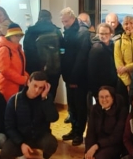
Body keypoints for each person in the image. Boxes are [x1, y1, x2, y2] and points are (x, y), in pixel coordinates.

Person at [2, 71, 59, 159]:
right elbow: (9, 126)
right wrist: (21, 143)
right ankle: (20, 155)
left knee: (51, 144)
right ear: (28, 82)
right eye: (35, 86)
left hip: (40, 136)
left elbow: (54, 118)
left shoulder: (46, 98)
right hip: (22, 136)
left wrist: (44, 99)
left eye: (41, 87)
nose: (37, 90)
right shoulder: (14, 100)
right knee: (6, 151)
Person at [61, 8, 91, 146]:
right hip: (69, 76)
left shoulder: (83, 32)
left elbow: (81, 58)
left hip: (79, 78)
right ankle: (73, 130)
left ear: (73, 18)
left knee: (80, 107)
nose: (64, 23)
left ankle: (79, 133)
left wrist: (74, 79)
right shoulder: (68, 31)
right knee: (72, 106)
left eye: (66, 21)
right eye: (63, 21)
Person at [84, 86, 127, 159]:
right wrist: (89, 150)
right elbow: (90, 132)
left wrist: (96, 146)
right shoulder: (94, 109)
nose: (104, 100)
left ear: (112, 97)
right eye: (101, 97)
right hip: (98, 143)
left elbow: (117, 136)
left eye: (107, 96)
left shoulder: (121, 110)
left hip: (113, 144)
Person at [23, 9, 62, 100]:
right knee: (50, 94)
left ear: (39, 17)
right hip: (54, 70)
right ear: (50, 18)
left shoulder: (31, 31)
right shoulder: (56, 31)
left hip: (36, 70)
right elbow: (62, 50)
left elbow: (27, 51)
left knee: (35, 94)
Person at [0, 23, 29, 101]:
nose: (19, 38)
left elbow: (20, 67)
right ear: (10, 36)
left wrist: (27, 77)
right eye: (16, 35)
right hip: (5, 87)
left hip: (17, 87)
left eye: (20, 35)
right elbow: (5, 70)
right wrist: (22, 79)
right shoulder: (4, 49)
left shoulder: (18, 49)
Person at [114, 15, 133, 102]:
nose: (129, 26)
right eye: (126, 24)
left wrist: (127, 67)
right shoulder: (118, 43)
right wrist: (128, 83)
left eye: (131, 23)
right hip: (123, 82)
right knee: (123, 105)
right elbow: (119, 66)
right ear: (123, 26)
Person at [88, 23, 118, 99]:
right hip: (100, 86)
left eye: (106, 33)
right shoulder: (96, 48)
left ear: (111, 34)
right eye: (101, 33)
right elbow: (92, 71)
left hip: (113, 84)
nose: (104, 36)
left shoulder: (113, 46)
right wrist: (95, 90)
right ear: (98, 34)